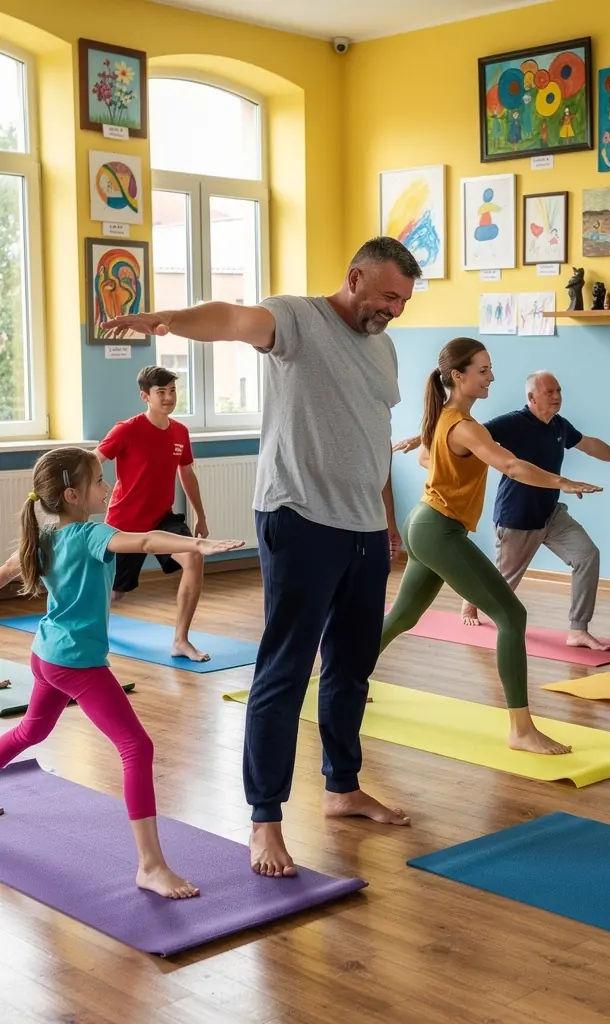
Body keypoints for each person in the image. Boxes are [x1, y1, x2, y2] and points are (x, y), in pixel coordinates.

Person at [102, 236, 420, 878]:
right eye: (388, 295)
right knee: (285, 668)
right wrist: (168, 320)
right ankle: (265, 818)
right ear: (354, 277)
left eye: (405, 300)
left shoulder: (382, 346)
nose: (395, 309)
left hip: (361, 526)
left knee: (353, 665)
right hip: (299, 517)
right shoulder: (297, 319)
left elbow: (376, 439)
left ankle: (343, 787)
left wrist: (387, 523)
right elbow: (230, 317)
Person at [0, 447, 243, 897]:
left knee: (32, 731)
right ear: (72, 495)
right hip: (76, 664)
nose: (107, 487)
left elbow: (5, 572)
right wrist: (197, 545)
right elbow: (148, 540)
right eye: (98, 481)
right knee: (137, 746)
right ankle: (150, 865)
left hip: (46, 654)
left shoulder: (44, 537)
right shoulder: (88, 535)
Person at [380, 340, 602, 755]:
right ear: (459, 376)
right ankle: (521, 729)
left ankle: (343, 685)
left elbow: (431, 459)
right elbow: (512, 466)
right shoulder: (464, 425)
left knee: (403, 616)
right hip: (437, 529)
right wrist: (563, 482)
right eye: (483, 370)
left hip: (427, 523)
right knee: (511, 615)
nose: (492, 377)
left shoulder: (450, 418)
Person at [393, 371, 610, 650]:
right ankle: (470, 603)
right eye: (549, 392)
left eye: (559, 390)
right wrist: (420, 438)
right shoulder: (514, 423)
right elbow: (462, 433)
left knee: (587, 555)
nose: (557, 396)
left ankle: (578, 630)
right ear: (531, 397)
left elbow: (590, 444)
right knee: (500, 587)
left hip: (551, 513)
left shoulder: (560, 426)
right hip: (517, 518)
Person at [95, 365, 211, 662]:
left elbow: (186, 473)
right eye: (161, 392)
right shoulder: (127, 429)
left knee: (194, 557)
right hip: (124, 524)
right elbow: (94, 461)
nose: (169, 398)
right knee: (116, 592)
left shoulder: (180, 432)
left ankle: (181, 641)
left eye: (172, 391)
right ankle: (87, 631)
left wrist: (201, 515)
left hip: (163, 520)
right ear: (145, 396)